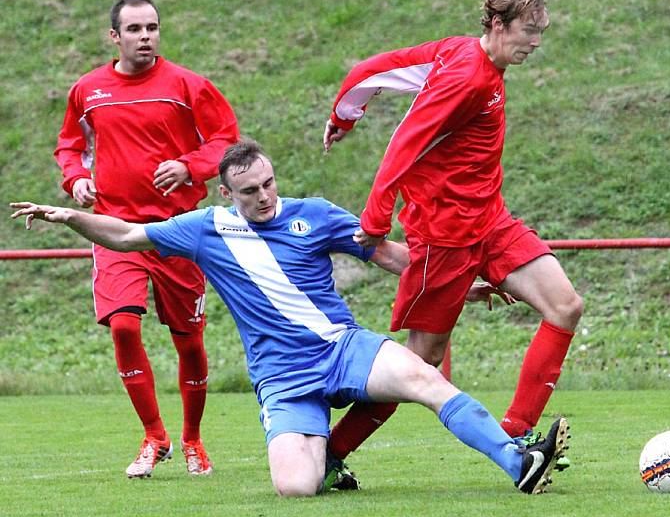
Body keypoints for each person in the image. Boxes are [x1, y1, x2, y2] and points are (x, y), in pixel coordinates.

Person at [11, 139, 570, 496]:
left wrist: (461, 285)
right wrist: (69, 217)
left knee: (425, 377)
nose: (264, 197)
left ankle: (517, 460)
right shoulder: (206, 227)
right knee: (296, 488)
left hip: (342, 346)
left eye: (269, 183)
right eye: (250, 190)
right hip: (282, 376)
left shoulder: (316, 214)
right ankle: (325, 460)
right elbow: (129, 235)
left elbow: (387, 254)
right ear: (227, 193)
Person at [321, 0, 584, 465]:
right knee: (419, 365)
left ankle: (516, 435)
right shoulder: (466, 76)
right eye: (528, 31)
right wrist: (376, 220)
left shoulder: (462, 54)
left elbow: (374, 69)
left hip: (491, 222)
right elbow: (405, 143)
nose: (536, 43)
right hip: (444, 239)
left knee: (565, 306)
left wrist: (346, 113)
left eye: (541, 32)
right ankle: (331, 454)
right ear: (499, 25)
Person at [52, 0, 239, 477]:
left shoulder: (187, 85)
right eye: (134, 29)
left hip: (178, 231)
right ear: (114, 36)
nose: (146, 36)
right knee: (123, 326)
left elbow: (225, 139)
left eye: (152, 27)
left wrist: (189, 165)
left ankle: (193, 439)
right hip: (115, 228)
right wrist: (76, 179)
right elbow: (70, 145)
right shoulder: (87, 90)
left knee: (189, 342)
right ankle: (154, 436)